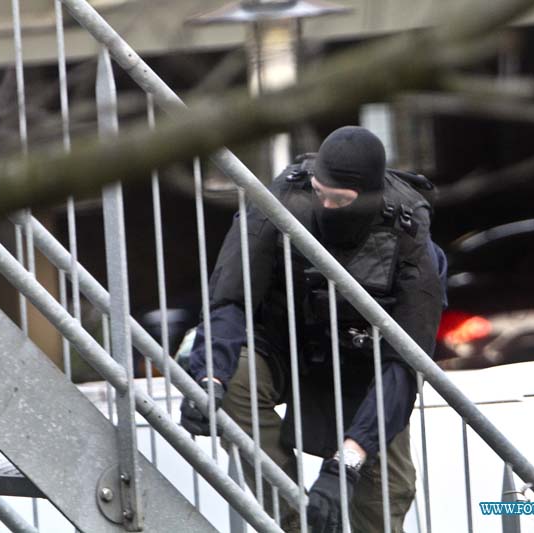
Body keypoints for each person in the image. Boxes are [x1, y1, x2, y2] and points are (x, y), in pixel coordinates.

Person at [180, 126, 443, 532]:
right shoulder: (281, 202)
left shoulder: (408, 233)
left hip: (366, 369)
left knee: (384, 499)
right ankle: (299, 522)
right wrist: (209, 377)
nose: (325, 204)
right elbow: (229, 297)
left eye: (339, 200)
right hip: (285, 347)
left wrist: (347, 463)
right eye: (320, 192)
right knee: (235, 380)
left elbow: (405, 365)